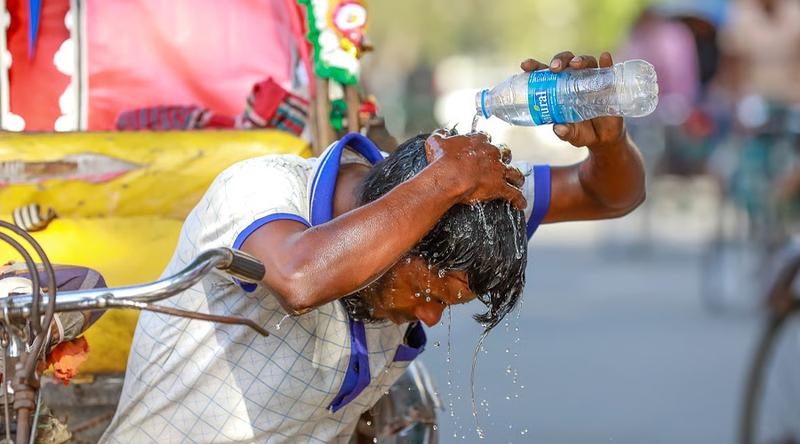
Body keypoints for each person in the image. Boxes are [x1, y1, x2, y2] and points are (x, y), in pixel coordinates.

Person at [100, 51, 645, 443]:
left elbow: (608, 194)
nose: (429, 317)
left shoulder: (466, 208)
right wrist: (442, 183)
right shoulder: (258, 191)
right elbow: (301, 278)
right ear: (407, 226)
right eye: (432, 292)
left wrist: (609, 141)